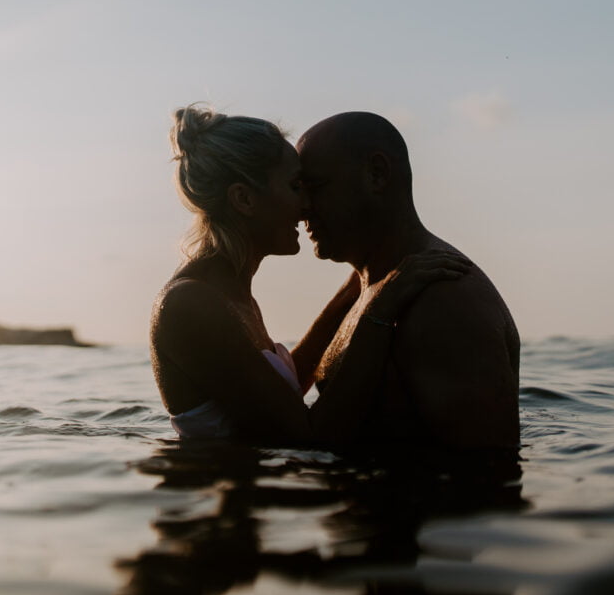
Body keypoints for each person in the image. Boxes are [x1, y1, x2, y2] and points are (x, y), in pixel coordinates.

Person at [150, 105, 470, 445]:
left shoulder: (228, 289)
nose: (309, 206)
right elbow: (308, 436)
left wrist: (364, 282)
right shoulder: (191, 304)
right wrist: (378, 310)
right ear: (244, 199)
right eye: (295, 186)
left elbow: (280, 392)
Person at [296, 112, 520, 452]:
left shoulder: (443, 298)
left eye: (315, 188)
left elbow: (488, 475)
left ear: (377, 174)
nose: (302, 209)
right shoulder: (376, 283)